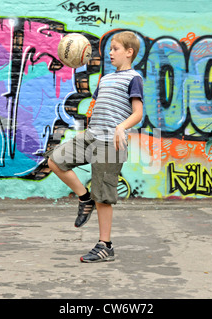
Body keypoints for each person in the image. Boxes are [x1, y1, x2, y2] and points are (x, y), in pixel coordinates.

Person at [47, 31, 143, 262]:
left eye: (116, 49)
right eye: (110, 49)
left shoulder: (133, 77)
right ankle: (83, 198)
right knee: (55, 160)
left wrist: (122, 127)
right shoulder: (106, 79)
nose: (110, 53)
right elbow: (98, 107)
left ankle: (105, 246)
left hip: (111, 143)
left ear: (129, 52)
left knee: (104, 196)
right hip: (91, 136)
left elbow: (138, 113)